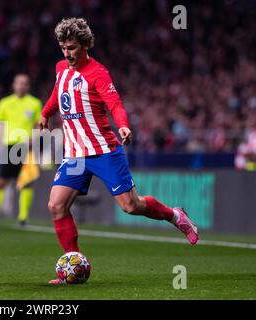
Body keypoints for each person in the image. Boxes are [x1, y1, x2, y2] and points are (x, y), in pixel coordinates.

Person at [38, 18, 199, 284]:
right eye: (63, 48)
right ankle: (72, 264)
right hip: (75, 154)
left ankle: (175, 215)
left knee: (131, 206)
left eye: (72, 48)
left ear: (85, 45)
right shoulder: (61, 68)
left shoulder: (98, 73)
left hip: (103, 150)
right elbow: (58, 93)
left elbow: (115, 104)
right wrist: (46, 113)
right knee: (56, 205)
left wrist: (122, 126)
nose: (67, 54)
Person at [0, 74, 42, 226]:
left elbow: (39, 125)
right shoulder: (5, 103)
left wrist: (35, 137)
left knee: (26, 183)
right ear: (13, 85)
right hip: (9, 146)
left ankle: (23, 218)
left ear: (28, 86)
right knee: (1, 182)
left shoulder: (35, 103)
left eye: (25, 83)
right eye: (19, 83)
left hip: (27, 147)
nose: (22, 86)